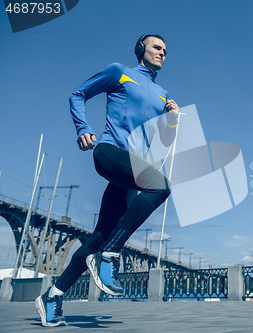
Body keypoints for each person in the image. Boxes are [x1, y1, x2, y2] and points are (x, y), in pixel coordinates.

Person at [35, 34, 179, 327]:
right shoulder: (119, 72)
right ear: (141, 50)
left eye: (165, 50)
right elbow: (78, 94)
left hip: (131, 170)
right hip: (109, 151)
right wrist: (82, 128)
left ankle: (53, 295)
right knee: (161, 186)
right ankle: (111, 254)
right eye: (156, 47)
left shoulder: (163, 94)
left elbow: (164, 140)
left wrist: (173, 118)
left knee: (99, 237)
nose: (162, 53)